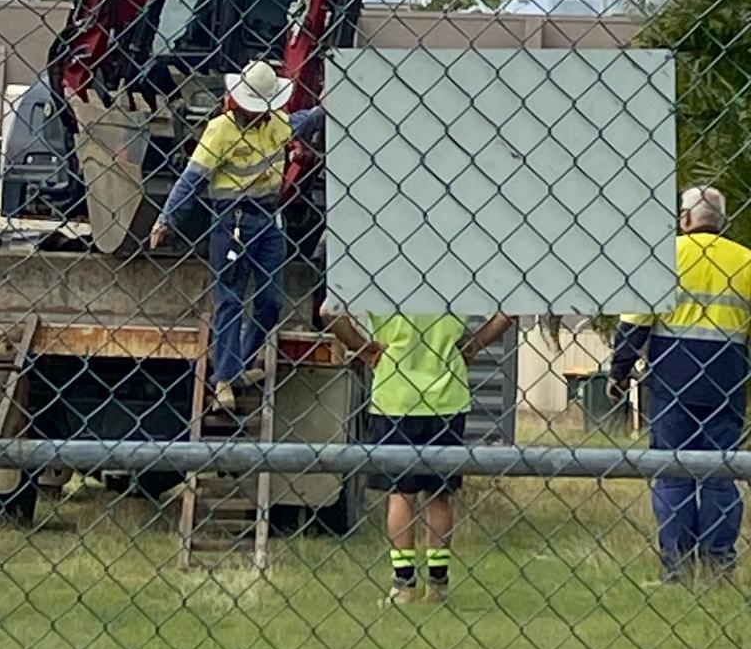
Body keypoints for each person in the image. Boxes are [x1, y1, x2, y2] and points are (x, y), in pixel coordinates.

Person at [150, 60, 323, 411]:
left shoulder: (275, 123)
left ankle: (240, 363)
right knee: (230, 299)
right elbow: (192, 179)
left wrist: (325, 108)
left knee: (270, 302)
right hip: (233, 223)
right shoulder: (220, 131)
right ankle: (225, 378)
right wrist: (165, 219)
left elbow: (300, 123)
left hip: (269, 221)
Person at [321, 300, 513, 604]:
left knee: (400, 494)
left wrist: (365, 348)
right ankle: (438, 583)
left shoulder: (384, 275)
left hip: (395, 396)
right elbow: (508, 311)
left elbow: (328, 312)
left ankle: (403, 582)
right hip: (447, 397)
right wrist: (475, 344)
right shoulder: (454, 275)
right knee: (439, 495)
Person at [608, 187, 751, 582]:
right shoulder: (746, 262)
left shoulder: (663, 257)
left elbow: (633, 324)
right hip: (727, 381)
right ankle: (720, 562)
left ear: (685, 218)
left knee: (673, 472)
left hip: (673, 381)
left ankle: (677, 565)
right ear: (721, 221)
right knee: (721, 471)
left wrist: (619, 372)